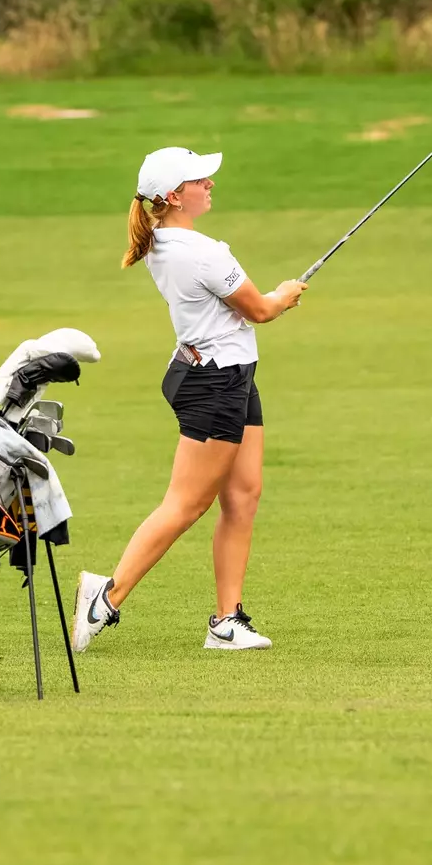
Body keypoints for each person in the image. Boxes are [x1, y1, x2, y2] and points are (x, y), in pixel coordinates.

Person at [72, 147, 307, 652]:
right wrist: (286, 294)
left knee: (243, 497)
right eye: (202, 180)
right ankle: (106, 598)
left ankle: (227, 621)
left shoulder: (162, 240)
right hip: (214, 385)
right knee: (186, 504)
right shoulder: (202, 254)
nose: (211, 185)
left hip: (228, 374)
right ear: (176, 196)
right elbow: (261, 310)